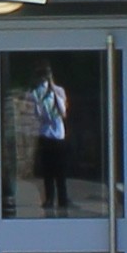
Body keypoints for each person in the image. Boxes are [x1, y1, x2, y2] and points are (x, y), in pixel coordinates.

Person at [27, 63, 75, 215]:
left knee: (59, 169)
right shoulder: (37, 94)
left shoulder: (58, 91)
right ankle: (49, 198)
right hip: (47, 133)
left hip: (58, 134)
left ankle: (62, 198)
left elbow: (63, 112)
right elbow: (39, 114)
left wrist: (53, 92)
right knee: (48, 170)